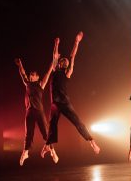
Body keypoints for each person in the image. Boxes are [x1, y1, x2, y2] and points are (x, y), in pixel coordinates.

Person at [41, 32, 100, 163]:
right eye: (63, 60)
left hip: (65, 103)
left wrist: (77, 42)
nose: (65, 61)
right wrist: (56, 45)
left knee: (77, 122)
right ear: (60, 63)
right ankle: (47, 147)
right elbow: (54, 56)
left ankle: (92, 142)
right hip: (55, 103)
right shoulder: (55, 70)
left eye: (66, 61)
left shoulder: (68, 72)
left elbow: (73, 56)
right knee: (52, 125)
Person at [15, 38, 57, 166]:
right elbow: (22, 73)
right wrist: (20, 64)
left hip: (39, 111)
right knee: (29, 134)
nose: (30, 74)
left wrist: (54, 58)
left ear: (37, 77)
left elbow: (49, 71)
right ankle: (25, 152)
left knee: (46, 133)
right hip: (29, 111)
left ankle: (53, 151)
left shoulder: (41, 84)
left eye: (33, 74)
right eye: (30, 73)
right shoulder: (27, 83)